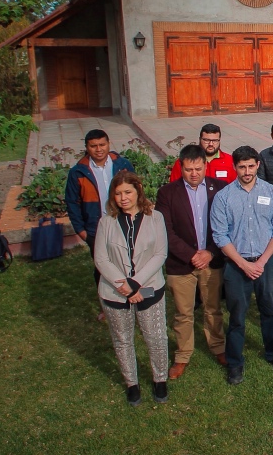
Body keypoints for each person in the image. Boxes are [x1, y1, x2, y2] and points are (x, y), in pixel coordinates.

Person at [211, 146, 273, 385]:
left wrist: (263, 261)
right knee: (237, 316)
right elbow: (220, 236)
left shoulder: (272, 192)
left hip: (267, 263)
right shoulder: (223, 197)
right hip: (237, 265)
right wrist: (244, 264)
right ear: (235, 167)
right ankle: (235, 363)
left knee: (270, 310)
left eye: (251, 166)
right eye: (241, 167)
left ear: (257, 165)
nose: (247, 171)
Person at [94, 170, 169, 406]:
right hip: (115, 293)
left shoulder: (155, 218)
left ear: (138, 191)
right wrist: (124, 285)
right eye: (117, 194)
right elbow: (101, 259)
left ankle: (160, 379)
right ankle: (132, 384)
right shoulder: (106, 222)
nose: (123, 198)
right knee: (123, 339)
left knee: (155, 337)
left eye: (127, 192)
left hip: (149, 289)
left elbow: (160, 254)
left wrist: (136, 283)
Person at [155, 144, 228, 380]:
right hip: (181, 264)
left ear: (205, 166)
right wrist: (191, 255)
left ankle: (218, 347)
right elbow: (166, 230)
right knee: (183, 313)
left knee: (213, 309)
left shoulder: (220, 189)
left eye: (198, 168)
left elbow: (227, 227)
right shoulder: (167, 193)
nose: (194, 173)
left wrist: (209, 252)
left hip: (211, 261)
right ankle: (183, 355)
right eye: (188, 169)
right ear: (181, 167)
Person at [66, 129, 135, 304]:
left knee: (131, 262)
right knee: (103, 267)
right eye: (93, 146)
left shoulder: (122, 165)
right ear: (87, 148)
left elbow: (136, 191)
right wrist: (81, 231)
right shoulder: (78, 173)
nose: (98, 149)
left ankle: (133, 296)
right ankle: (107, 303)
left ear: (108, 144)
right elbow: (72, 203)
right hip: (96, 229)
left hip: (124, 223)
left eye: (102, 145)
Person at [168, 123, 236, 183]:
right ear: (200, 139)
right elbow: (174, 188)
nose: (211, 144)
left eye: (215, 141)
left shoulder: (230, 161)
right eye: (206, 140)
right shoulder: (185, 161)